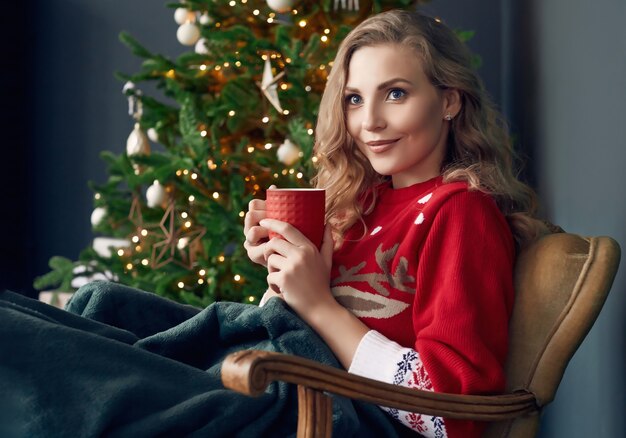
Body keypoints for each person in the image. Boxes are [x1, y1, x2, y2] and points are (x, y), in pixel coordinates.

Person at [243, 9, 546, 438]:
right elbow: (292, 336)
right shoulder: (361, 204)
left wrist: (318, 305)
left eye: (396, 93)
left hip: (334, 420)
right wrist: (282, 275)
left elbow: (453, 408)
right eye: (354, 99)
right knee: (112, 311)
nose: (369, 122)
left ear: (449, 100)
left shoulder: (460, 211)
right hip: (272, 389)